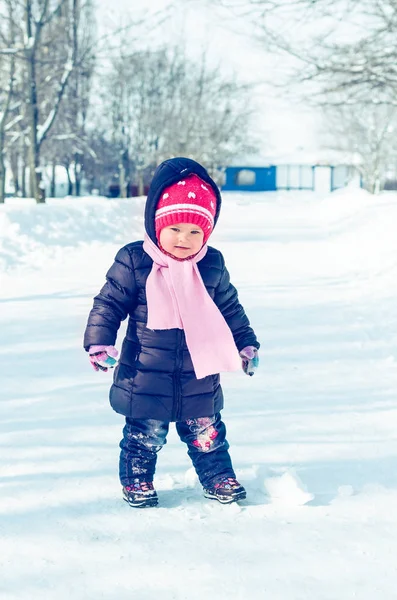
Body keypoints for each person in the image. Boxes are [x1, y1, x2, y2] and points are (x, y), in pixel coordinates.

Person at [83, 157, 260, 508]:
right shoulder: (135, 260)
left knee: (207, 432)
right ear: (156, 224)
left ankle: (218, 478)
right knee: (144, 435)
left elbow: (230, 308)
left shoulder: (212, 264)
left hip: (199, 371)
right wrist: (99, 342)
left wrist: (245, 343)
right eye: (175, 228)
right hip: (145, 371)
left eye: (196, 231)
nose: (184, 239)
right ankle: (137, 481)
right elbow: (109, 303)